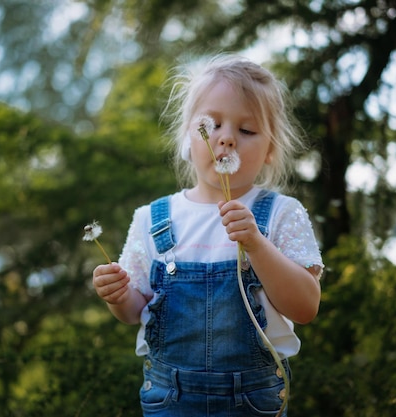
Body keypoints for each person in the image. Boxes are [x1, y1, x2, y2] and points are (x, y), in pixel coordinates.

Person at [92, 54, 323, 416]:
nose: (227, 139)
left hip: (254, 401)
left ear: (270, 149)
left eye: (246, 131)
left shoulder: (281, 214)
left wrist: (257, 245)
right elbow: (135, 310)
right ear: (188, 136)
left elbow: (306, 307)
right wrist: (117, 295)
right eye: (211, 125)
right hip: (170, 398)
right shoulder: (152, 219)